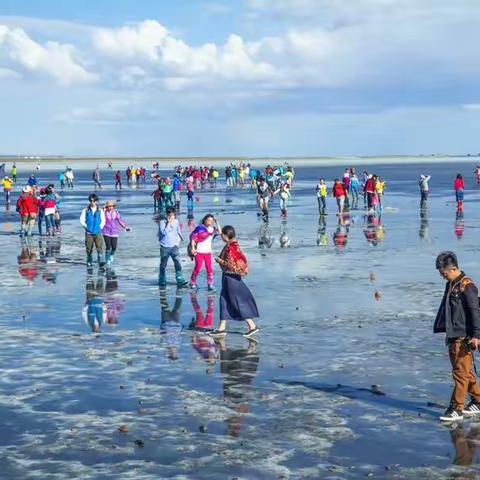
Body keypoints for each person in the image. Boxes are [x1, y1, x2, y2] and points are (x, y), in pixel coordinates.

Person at [434, 251, 480, 422]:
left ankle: (456, 408)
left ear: (453, 268)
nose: (442, 275)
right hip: (454, 335)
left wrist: (476, 335)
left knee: (460, 374)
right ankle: (478, 401)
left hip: (463, 337)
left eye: (443, 272)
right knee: (465, 372)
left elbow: (475, 312)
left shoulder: (467, 286)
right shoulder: (452, 283)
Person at [211, 225, 259, 337]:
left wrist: (219, 261)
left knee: (237, 301)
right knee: (224, 300)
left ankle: (252, 325)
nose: (221, 236)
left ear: (225, 235)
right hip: (229, 277)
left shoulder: (231, 248)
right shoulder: (233, 245)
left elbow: (231, 265)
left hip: (231, 278)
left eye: (222, 234)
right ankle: (222, 327)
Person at [158, 207, 189, 288]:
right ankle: (162, 279)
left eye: (173, 215)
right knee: (163, 264)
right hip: (164, 246)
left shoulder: (176, 221)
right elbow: (163, 232)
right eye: (170, 214)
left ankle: (179, 279)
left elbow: (178, 231)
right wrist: (168, 223)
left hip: (174, 246)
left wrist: (179, 241)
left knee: (177, 263)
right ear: (167, 214)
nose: (172, 216)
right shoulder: (162, 222)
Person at [189, 214, 220, 291]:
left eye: (211, 220)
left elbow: (220, 232)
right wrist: (193, 248)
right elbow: (193, 237)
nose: (210, 222)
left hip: (208, 252)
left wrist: (217, 222)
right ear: (205, 220)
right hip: (199, 251)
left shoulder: (213, 229)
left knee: (209, 269)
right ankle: (192, 282)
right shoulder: (200, 228)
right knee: (198, 268)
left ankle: (210, 284)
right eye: (208, 220)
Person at [80, 193, 106, 268]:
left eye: (94, 201)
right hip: (89, 232)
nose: (92, 202)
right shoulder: (86, 210)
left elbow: (103, 220)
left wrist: (100, 227)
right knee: (89, 247)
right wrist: (86, 227)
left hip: (97, 231)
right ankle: (89, 259)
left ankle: (100, 259)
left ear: (96, 201)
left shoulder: (100, 210)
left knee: (99, 246)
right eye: (91, 201)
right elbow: (82, 220)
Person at [102, 200, 130, 265]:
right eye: (108, 206)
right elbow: (100, 218)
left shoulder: (116, 212)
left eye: (111, 206)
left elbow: (120, 220)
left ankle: (111, 254)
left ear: (113, 206)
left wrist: (125, 226)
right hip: (106, 231)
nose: (110, 207)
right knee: (108, 246)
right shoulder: (104, 212)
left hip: (114, 231)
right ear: (107, 207)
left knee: (114, 247)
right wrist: (103, 209)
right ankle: (107, 259)